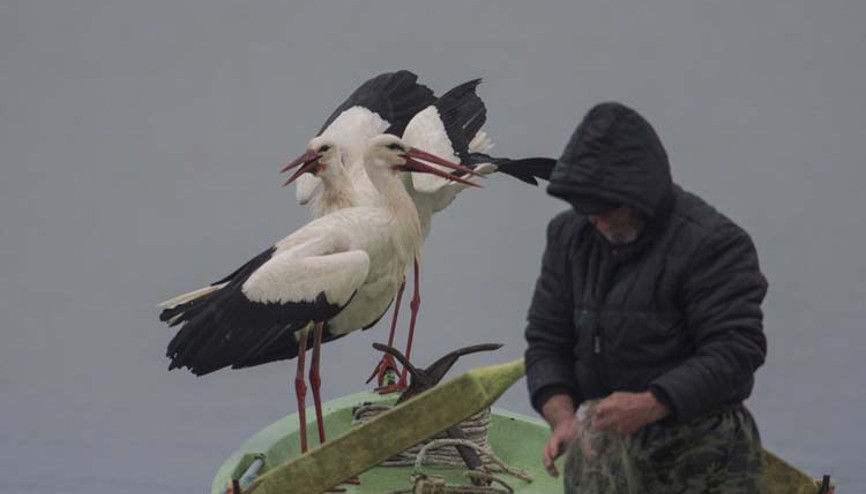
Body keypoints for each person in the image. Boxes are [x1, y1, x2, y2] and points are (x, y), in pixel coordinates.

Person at [524, 102, 768, 493]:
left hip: (700, 446)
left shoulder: (714, 244)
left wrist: (652, 403)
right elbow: (547, 342)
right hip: (604, 440)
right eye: (588, 209)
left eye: (608, 208)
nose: (598, 220)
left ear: (641, 196)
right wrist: (563, 418)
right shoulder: (568, 237)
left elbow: (736, 351)